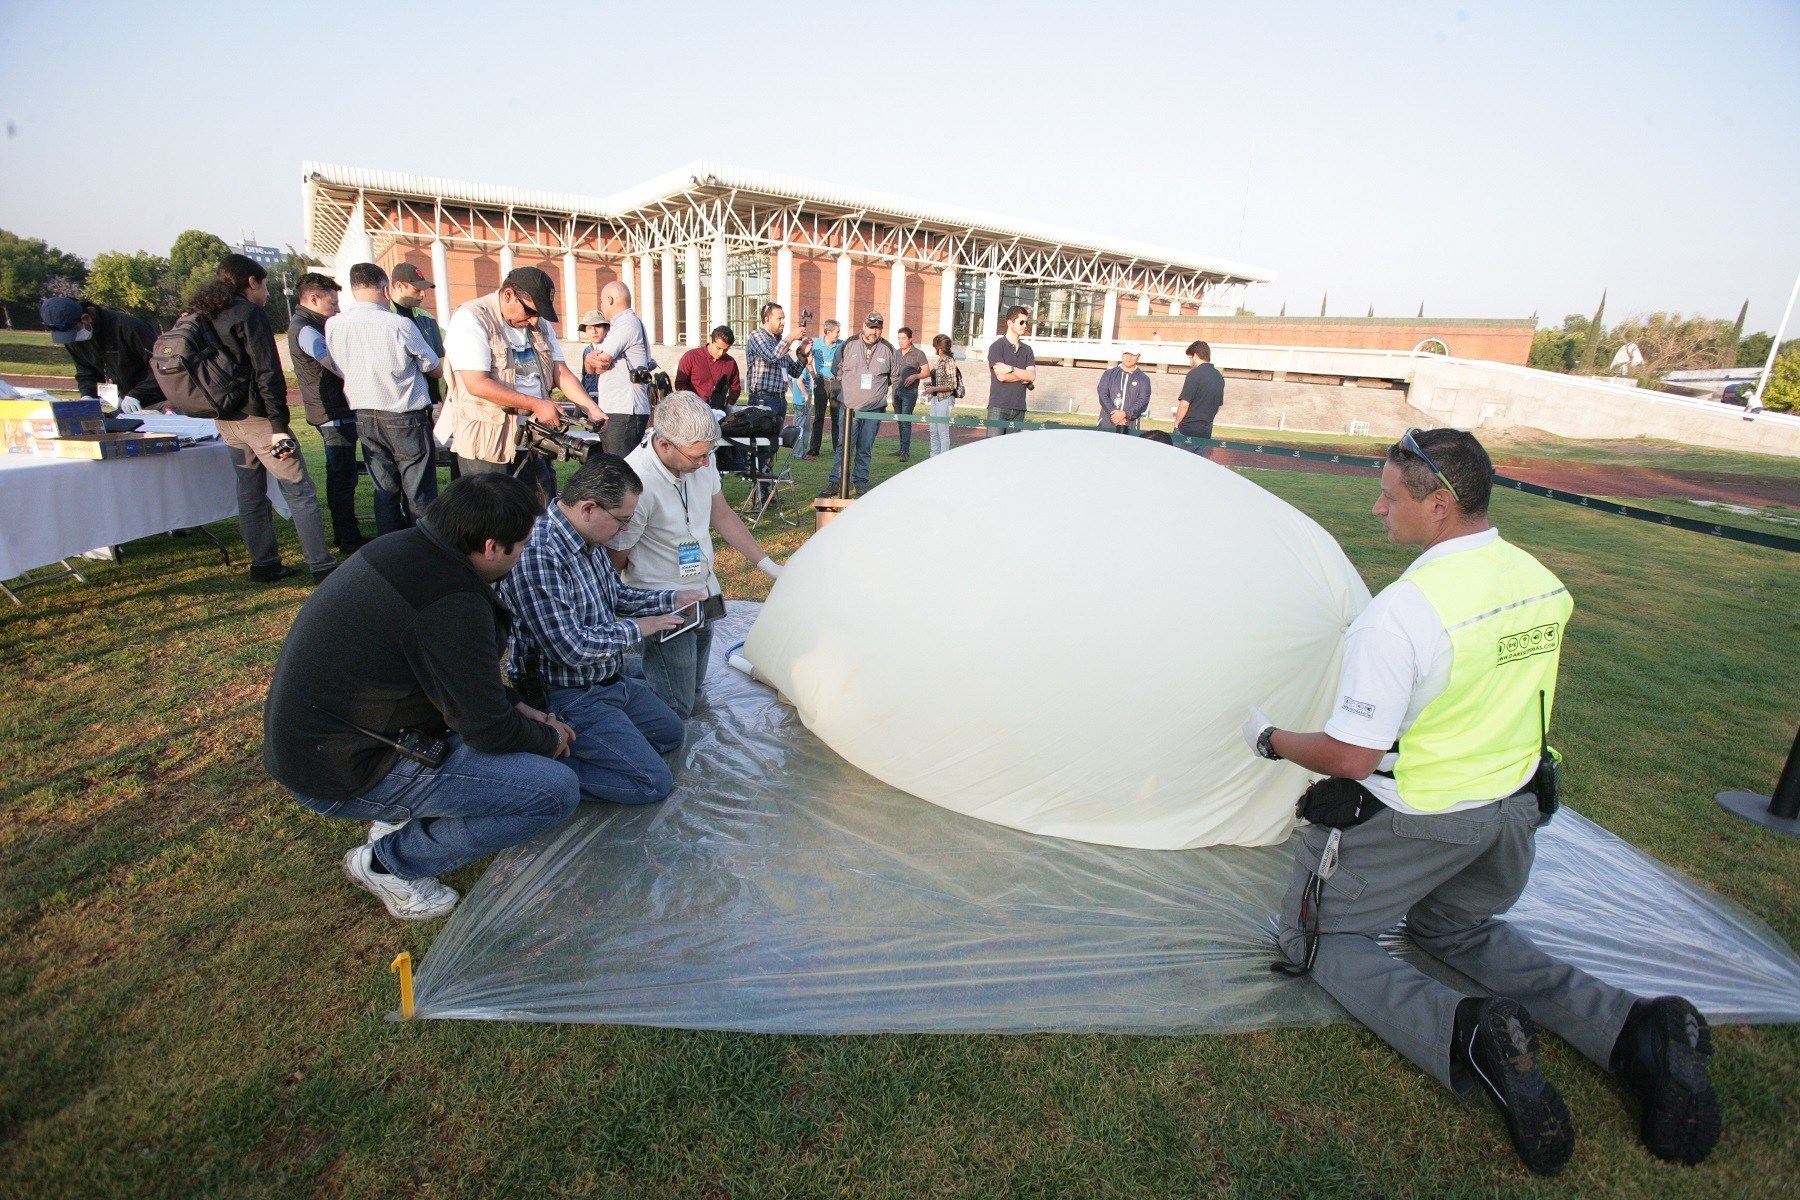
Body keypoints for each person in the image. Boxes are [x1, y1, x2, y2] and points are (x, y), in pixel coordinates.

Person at [1243, 428, 1720, 1175]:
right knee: (1453, 927)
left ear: (1438, 505)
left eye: (1390, 495)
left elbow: (1353, 755)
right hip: (1515, 816)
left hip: (1426, 819)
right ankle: (1637, 1030)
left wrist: (1271, 738)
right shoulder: (1536, 579)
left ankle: (1468, 1033)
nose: (1377, 508)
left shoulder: (1402, 615)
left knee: (1318, 940)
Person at [263, 474, 580, 922]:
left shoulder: (407, 549)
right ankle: (389, 863)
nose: (525, 554)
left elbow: (450, 678)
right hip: (342, 770)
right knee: (553, 790)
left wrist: (518, 705)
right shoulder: (450, 600)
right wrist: (547, 739)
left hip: (324, 743)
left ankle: (400, 818)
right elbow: (487, 729)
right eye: (523, 545)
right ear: (491, 547)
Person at [499, 454, 706, 806]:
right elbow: (570, 648)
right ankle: (536, 775)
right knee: (651, 783)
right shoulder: (539, 556)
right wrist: (639, 629)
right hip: (566, 693)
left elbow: (617, 595)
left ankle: (592, 747)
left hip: (607, 679)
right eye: (622, 520)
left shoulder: (588, 539)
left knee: (670, 733)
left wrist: (672, 600)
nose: (624, 529)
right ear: (589, 508)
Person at [608, 393, 783, 717]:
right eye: (696, 457)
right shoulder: (635, 482)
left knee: (695, 683)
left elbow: (722, 515)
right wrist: (630, 612)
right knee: (676, 703)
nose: (704, 463)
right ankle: (614, 683)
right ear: (664, 445)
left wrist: (767, 565)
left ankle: (637, 670)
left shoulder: (702, 453)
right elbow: (618, 557)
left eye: (709, 454)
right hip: (662, 598)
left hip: (703, 587)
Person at [202, 254, 336, 585]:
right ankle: (321, 565)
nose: (266, 291)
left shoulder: (207, 313)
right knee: (299, 490)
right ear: (252, 282)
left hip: (225, 418)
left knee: (250, 493)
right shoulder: (248, 313)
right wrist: (279, 426)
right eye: (264, 284)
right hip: (258, 418)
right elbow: (267, 372)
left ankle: (264, 563)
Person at [443, 266, 600, 503]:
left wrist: (590, 407)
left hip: (535, 439)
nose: (534, 320)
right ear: (508, 295)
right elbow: (477, 384)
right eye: (530, 311)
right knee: (494, 516)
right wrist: (537, 404)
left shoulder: (538, 325)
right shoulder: (471, 318)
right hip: (489, 443)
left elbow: (561, 372)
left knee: (538, 511)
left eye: (538, 314)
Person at [325, 263, 444, 534]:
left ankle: (391, 546)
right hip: (404, 415)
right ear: (385, 289)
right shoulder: (398, 324)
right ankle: (425, 548)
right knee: (419, 491)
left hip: (365, 414)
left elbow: (337, 364)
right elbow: (433, 366)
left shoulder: (334, 324)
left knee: (384, 489)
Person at [286, 272, 366, 551]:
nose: (337, 308)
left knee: (342, 475)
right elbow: (329, 362)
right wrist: (361, 378)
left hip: (332, 409)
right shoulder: (307, 329)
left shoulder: (309, 325)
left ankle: (346, 533)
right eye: (332, 304)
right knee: (342, 477)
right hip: (332, 411)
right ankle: (347, 537)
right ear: (313, 299)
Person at [819, 312, 899, 498]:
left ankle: (861, 483)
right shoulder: (848, 344)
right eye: (871, 327)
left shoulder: (888, 349)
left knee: (865, 448)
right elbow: (836, 370)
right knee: (843, 445)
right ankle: (835, 481)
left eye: (878, 328)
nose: (874, 331)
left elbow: (895, 377)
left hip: (874, 410)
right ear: (864, 326)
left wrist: (876, 391)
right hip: (849, 409)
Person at [38, 296, 164, 411]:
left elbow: (162, 368)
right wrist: (87, 395)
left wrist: (137, 395)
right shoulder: (72, 337)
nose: (73, 340)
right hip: (125, 403)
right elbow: (86, 372)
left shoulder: (128, 327)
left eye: (74, 333)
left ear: (86, 318)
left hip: (158, 400)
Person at [583, 280, 654, 458]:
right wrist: (590, 361)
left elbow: (601, 362)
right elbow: (593, 368)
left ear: (610, 300)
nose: (602, 306)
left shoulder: (627, 322)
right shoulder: (620, 324)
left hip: (625, 411)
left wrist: (592, 360)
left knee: (621, 471)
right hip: (619, 409)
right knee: (615, 468)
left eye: (601, 301)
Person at [986, 305, 1036, 435]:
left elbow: (1032, 376)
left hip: (1019, 408)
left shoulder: (1027, 350)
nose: (1025, 325)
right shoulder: (996, 347)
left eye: (1026, 322)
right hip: (998, 407)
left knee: (1012, 453)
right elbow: (1001, 377)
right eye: (1021, 322)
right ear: (1010, 323)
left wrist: (1010, 368)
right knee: (993, 450)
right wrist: (1023, 376)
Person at [1174, 340, 1224, 457]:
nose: (1190, 362)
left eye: (1190, 358)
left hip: (1187, 430)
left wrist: (1177, 424)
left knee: (1179, 466)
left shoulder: (1194, 374)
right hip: (1205, 431)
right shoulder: (1219, 377)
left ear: (1195, 356)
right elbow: (1219, 406)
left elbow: (1184, 403)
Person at [675, 325, 742, 411]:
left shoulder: (730, 363)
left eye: (725, 350)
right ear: (710, 340)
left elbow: (735, 387)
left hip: (719, 412)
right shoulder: (691, 357)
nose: (721, 353)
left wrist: (729, 403)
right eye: (718, 348)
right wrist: (693, 402)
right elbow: (680, 384)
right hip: (693, 411)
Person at [805, 318, 843, 461]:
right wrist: (814, 377)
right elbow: (807, 361)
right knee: (819, 417)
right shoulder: (816, 345)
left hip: (837, 383)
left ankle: (837, 448)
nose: (838, 335)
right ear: (828, 332)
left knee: (837, 418)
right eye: (837, 332)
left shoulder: (842, 345)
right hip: (821, 383)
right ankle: (814, 449)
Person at [891, 327, 931, 462]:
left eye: (903, 338)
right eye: (899, 338)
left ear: (910, 339)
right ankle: (901, 448)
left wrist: (915, 376)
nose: (900, 341)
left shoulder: (918, 354)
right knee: (899, 420)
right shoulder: (895, 353)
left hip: (909, 392)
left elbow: (927, 372)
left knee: (905, 421)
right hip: (896, 390)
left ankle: (905, 452)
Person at [921, 334, 962, 458]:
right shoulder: (939, 360)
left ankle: (943, 457)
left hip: (945, 398)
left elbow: (952, 385)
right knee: (933, 430)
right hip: (936, 398)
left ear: (939, 347)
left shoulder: (949, 361)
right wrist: (930, 384)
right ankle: (933, 456)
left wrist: (933, 388)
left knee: (942, 431)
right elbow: (942, 381)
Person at [1096, 346, 1152, 433]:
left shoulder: (1144, 379)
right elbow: (1102, 394)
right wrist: (1114, 412)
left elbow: (1143, 400)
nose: (1129, 357)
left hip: (1130, 424)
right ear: (1122, 355)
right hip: (1107, 422)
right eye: (1126, 354)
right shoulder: (1108, 374)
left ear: (1139, 357)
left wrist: (1125, 413)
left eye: (1133, 355)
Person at [576, 311, 610, 403]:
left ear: (606, 329)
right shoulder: (587, 351)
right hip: (590, 398)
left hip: (608, 399)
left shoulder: (612, 349)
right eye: (590, 328)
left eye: (598, 327)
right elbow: (585, 376)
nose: (594, 331)